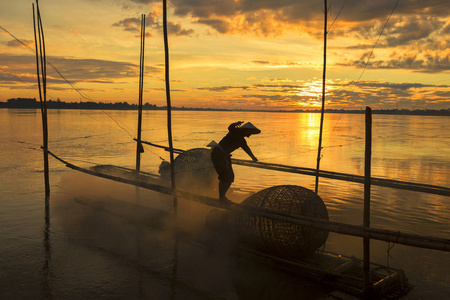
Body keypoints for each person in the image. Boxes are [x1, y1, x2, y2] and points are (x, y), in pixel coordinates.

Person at [211, 121, 261, 204]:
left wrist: (253, 157)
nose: (250, 134)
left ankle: (222, 197)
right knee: (224, 177)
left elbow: (246, 149)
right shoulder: (235, 132)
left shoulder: (242, 140)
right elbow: (230, 127)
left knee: (230, 177)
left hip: (223, 157)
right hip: (218, 155)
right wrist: (236, 123)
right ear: (246, 130)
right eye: (250, 132)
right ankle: (221, 198)